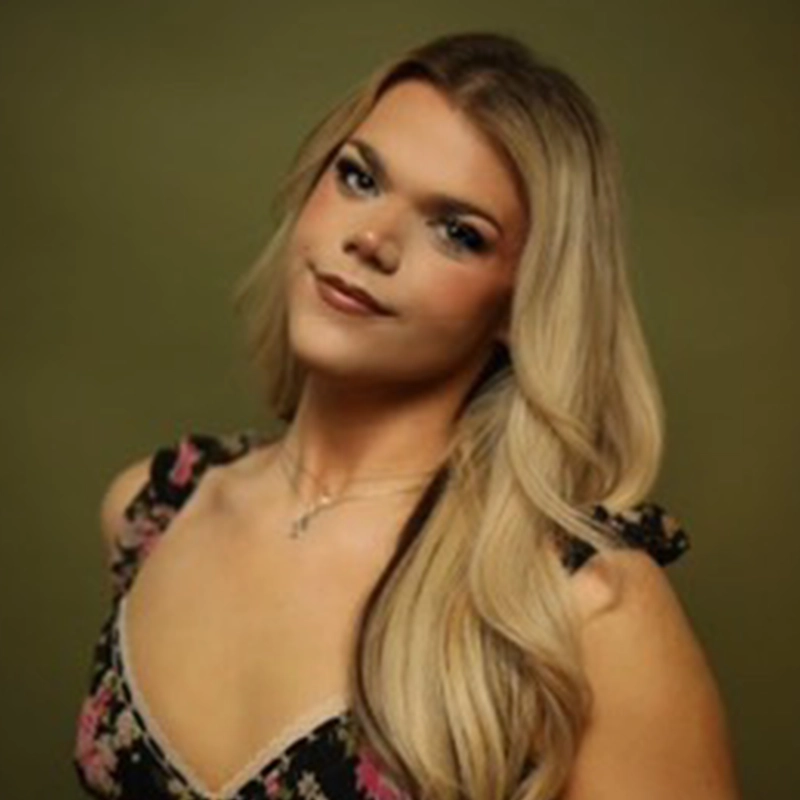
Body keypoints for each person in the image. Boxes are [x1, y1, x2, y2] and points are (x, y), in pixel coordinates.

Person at [73, 30, 740, 800]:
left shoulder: (583, 606)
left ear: (523, 305)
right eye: (358, 178)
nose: (371, 240)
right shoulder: (152, 513)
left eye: (458, 232)